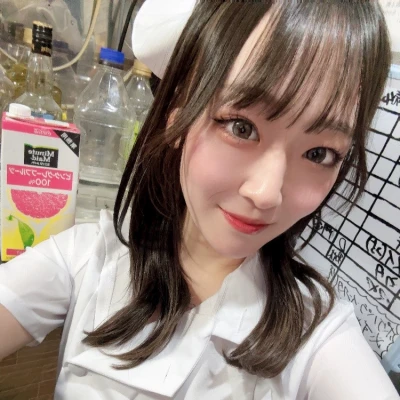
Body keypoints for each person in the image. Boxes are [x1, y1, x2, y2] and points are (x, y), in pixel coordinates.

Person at [0, 1, 398, 399]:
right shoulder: (86, 258)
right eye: (241, 127)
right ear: (178, 121)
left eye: (319, 154)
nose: (265, 193)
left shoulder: (319, 335)